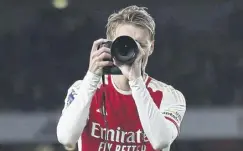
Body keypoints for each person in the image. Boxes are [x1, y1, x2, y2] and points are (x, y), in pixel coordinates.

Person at [56, 5, 186, 151]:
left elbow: (160, 142)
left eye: (140, 45)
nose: (134, 52)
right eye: (126, 45)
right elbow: (66, 138)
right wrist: (92, 76)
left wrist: (136, 82)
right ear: (111, 46)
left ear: (151, 48)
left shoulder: (168, 96)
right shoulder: (83, 89)